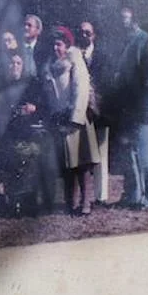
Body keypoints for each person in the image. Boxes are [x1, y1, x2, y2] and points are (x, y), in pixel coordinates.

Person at [42, 27, 99, 215]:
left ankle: (86, 202)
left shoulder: (74, 60)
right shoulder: (50, 64)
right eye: (53, 44)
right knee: (67, 162)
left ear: (66, 45)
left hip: (75, 118)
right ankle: (70, 201)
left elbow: (80, 88)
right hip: (59, 119)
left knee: (81, 162)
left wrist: (75, 117)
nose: (55, 48)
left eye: (58, 44)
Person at [112, 7, 148, 210]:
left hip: (146, 110)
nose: (121, 23)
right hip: (129, 109)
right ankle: (134, 196)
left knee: (144, 154)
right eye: (119, 19)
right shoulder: (124, 43)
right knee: (130, 154)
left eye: (124, 19)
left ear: (135, 19)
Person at [0, 51, 50, 217]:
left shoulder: (32, 84)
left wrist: (34, 108)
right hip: (7, 135)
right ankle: (12, 204)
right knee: (10, 168)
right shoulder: (1, 85)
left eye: (18, 63)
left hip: (28, 133)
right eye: (11, 63)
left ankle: (28, 204)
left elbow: (44, 107)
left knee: (29, 167)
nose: (14, 67)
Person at [76, 20, 112, 203]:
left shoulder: (103, 56)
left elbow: (107, 84)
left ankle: (101, 196)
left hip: (99, 111)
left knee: (101, 153)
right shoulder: (73, 55)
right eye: (81, 32)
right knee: (82, 156)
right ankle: (83, 198)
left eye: (88, 33)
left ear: (94, 35)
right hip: (80, 111)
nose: (84, 36)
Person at [21, 14, 44, 78]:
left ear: (38, 30)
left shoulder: (44, 51)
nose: (26, 27)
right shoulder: (16, 48)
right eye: (24, 25)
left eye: (29, 25)